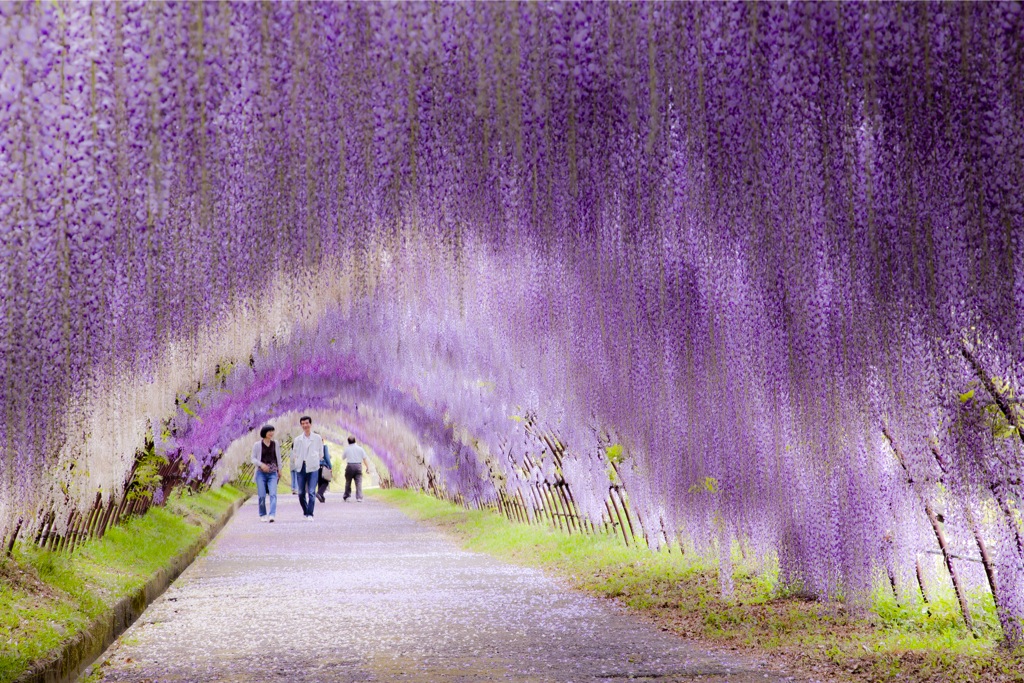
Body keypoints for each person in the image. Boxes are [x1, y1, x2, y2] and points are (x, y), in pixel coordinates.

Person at [291, 416, 324, 521]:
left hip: (313, 467)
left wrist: (315, 460)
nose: (305, 425)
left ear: (310, 424)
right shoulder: (297, 439)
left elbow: (321, 452)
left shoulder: (317, 438)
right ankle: (305, 511)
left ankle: (310, 514)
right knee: (301, 493)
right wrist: (297, 462)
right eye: (303, 423)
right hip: (301, 466)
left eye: (307, 423)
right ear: (301, 425)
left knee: (311, 491)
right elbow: (295, 453)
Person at [251, 424, 281, 523]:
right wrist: (261, 464)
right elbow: (253, 459)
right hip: (261, 473)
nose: (271, 433)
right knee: (262, 495)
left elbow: (278, 458)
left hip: (273, 473)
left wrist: (279, 469)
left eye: (272, 431)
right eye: (269, 431)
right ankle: (263, 514)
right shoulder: (257, 445)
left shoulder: (275, 443)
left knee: (273, 494)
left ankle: (272, 514)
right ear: (264, 432)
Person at [342, 436, 369, 502]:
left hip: (350, 466)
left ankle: (347, 496)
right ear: (355, 441)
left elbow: (343, 457)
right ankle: (359, 497)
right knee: (358, 482)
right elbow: (364, 458)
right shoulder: (360, 449)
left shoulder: (347, 449)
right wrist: (367, 467)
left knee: (348, 482)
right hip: (358, 466)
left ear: (348, 442)